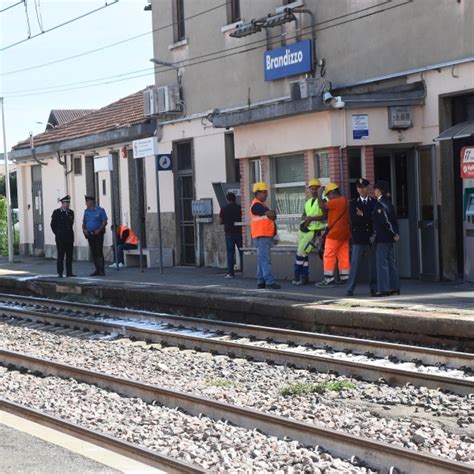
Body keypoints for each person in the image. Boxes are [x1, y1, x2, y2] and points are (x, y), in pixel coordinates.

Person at [346, 178, 377, 297]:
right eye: (359, 187)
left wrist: (363, 214)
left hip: (370, 237)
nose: (362, 189)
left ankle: (374, 288)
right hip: (358, 237)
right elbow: (354, 219)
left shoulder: (374, 202)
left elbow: (374, 218)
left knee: (373, 265)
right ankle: (350, 289)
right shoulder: (353, 203)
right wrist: (366, 216)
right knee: (355, 265)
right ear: (357, 189)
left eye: (364, 187)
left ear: (367, 188)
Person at [315, 182, 351, 287]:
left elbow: (321, 205)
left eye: (328, 195)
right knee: (343, 256)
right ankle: (345, 278)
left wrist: (319, 194)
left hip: (334, 234)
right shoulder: (345, 200)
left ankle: (328, 279)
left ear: (333, 192)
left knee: (328, 255)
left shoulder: (335, 201)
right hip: (345, 234)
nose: (328, 198)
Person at [292, 178, 326, 286]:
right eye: (312, 189)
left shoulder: (323, 200)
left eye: (316, 189)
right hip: (304, 230)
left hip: (314, 231)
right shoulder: (308, 202)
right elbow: (303, 215)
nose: (314, 191)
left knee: (301, 253)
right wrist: (306, 218)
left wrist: (311, 219)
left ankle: (297, 275)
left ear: (319, 189)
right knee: (304, 254)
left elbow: (325, 216)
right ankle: (304, 277)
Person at [250, 182, 280, 290]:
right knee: (265, 260)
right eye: (264, 192)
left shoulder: (260, 205)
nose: (266, 194)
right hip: (261, 235)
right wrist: (273, 214)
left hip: (262, 235)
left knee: (261, 260)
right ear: (257, 193)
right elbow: (271, 214)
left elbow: (271, 215)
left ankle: (261, 281)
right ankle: (269, 281)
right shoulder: (256, 205)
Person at [372, 180, 400, 297]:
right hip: (389, 238)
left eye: (376, 189)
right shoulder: (388, 202)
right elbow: (394, 220)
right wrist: (396, 233)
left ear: (380, 190)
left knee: (382, 264)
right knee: (391, 263)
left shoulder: (380, 204)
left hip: (383, 237)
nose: (374, 191)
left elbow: (385, 221)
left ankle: (383, 289)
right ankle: (394, 287)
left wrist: (393, 233)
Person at [50, 195, 75, 278]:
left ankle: (69, 272)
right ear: (62, 203)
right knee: (61, 255)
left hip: (69, 237)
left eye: (68, 203)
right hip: (60, 238)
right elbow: (53, 225)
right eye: (66, 203)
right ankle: (60, 272)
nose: (67, 204)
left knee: (69, 255)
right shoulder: (57, 212)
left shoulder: (71, 212)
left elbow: (71, 224)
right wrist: (57, 233)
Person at [82, 195, 108, 276]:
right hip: (90, 234)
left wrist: (99, 229)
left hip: (98, 234)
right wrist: (84, 230)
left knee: (99, 251)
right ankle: (97, 269)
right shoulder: (86, 212)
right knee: (94, 252)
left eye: (87, 202)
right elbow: (84, 222)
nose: (86, 203)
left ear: (91, 202)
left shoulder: (100, 210)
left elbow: (104, 222)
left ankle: (102, 270)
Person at [219, 192, 243, 278]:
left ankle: (231, 272)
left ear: (227, 199)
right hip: (239, 232)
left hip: (229, 233)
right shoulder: (240, 208)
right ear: (235, 199)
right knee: (242, 251)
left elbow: (220, 221)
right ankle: (244, 270)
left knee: (230, 253)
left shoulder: (224, 209)